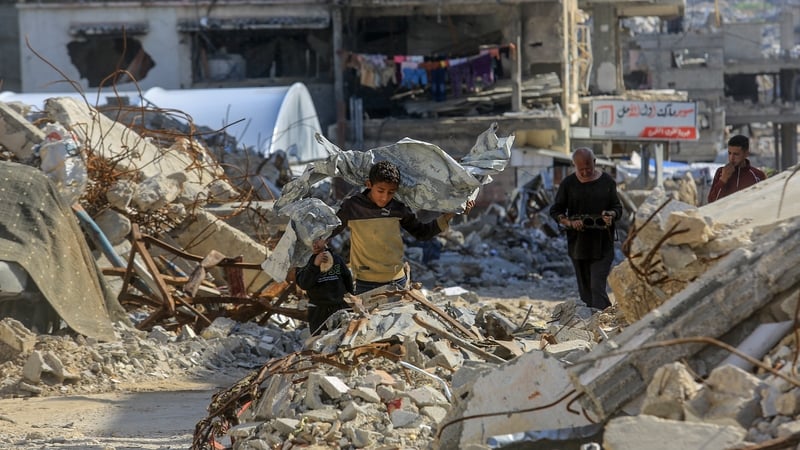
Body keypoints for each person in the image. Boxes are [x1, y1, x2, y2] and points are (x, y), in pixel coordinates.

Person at [332, 160, 470, 295]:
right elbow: (331, 230)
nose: (385, 197)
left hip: (397, 281)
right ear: (369, 185)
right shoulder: (353, 207)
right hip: (365, 283)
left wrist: (450, 214)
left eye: (391, 192)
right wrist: (322, 245)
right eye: (380, 191)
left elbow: (422, 233)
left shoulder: (398, 207)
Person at [549, 147, 623, 311]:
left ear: (594, 162)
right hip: (578, 245)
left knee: (597, 285)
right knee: (585, 290)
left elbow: (617, 208)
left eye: (588, 168)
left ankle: (603, 317)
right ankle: (592, 319)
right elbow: (556, 210)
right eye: (581, 169)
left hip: (603, 243)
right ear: (574, 166)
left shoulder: (607, 182)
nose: (585, 172)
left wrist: (610, 215)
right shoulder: (568, 184)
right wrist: (569, 222)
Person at [295, 237, 354, 335]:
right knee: (320, 340)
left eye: (318, 239)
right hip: (319, 312)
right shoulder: (304, 263)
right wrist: (314, 265)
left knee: (342, 338)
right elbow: (303, 284)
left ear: (327, 240)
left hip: (340, 308)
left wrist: (350, 303)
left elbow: (347, 280)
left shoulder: (336, 260)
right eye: (311, 239)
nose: (315, 244)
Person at [707, 134, 766, 203]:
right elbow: (711, 202)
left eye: (736, 154)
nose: (731, 158)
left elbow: (763, 201)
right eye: (729, 153)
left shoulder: (758, 175)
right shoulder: (721, 172)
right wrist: (723, 179)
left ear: (746, 154)